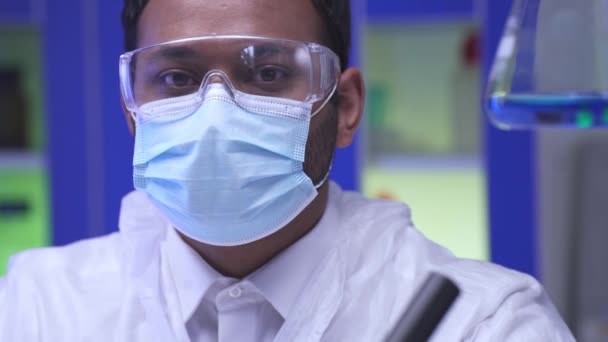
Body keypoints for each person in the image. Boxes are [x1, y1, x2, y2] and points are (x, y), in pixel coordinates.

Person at [0, 0, 574, 341]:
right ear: (134, 113)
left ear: (344, 107)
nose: (215, 114)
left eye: (268, 73)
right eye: (176, 79)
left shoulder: (479, 324)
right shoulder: (40, 311)